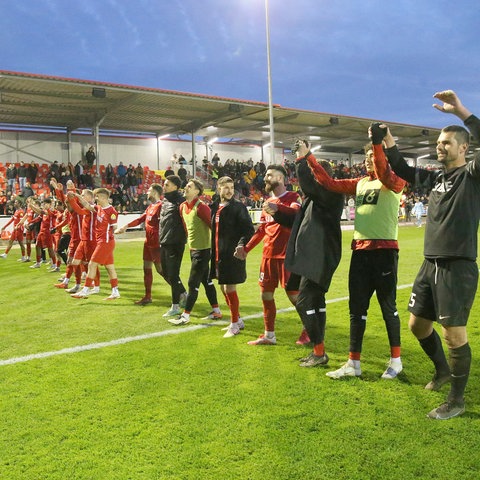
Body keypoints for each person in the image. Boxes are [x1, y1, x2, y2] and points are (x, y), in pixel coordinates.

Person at [381, 89, 480, 420]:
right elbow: (403, 169)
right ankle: (441, 371)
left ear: (464, 148)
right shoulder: (436, 177)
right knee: (417, 326)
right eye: (438, 142)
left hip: (457, 267)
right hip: (430, 264)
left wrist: (462, 112)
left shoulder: (472, 176)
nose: (440, 146)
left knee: (454, 335)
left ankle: (456, 400)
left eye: (447, 143)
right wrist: (388, 141)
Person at [306, 139, 406, 378]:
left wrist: (377, 144)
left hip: (384, 253)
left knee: (387, 307)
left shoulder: (396, 182)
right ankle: (353, 363)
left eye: (373, 155)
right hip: (360, 253)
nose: (369, 159)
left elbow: (383, 169)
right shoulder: (359, 183)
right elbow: (328, 183)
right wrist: (308, 158)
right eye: (366, 156)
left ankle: (396, 361)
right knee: (356, 309)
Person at [283, 141, 344, 366]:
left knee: (304, 300)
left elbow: (309, 184)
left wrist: (302, 158)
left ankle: (319, 352)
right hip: (313, 254)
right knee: (315, 299)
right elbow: (297, 221)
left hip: (321, 255)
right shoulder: (314, 199)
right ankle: (319, 348)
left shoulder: (330, 193)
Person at [235, 165, 301, 345]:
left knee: (294, 296)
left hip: (286, 256)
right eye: (266, 175)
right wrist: (246, 248)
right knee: (266, 295)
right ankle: (269, 335)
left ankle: (310, 329)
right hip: (268, 256)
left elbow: (297, 214)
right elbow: (262, 229)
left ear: (280, 178)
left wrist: (277, 209)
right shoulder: (266, 202)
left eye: (270, 175)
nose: (265, 178)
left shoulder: (293, 197)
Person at [168, 179, 221, 326]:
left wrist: (218, 247)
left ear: (197, 191)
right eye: (186, 186)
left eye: (189, 187)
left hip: (203, 251)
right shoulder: (182, 207)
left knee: (193, 283)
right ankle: (216, 311)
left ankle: (185, 316)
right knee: (206, 280)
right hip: (193, 250)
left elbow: (213, 227)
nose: (186, 188)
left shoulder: (202, 207)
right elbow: (186, 228)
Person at [210, 176, 254, 338]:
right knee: (223, 287)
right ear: (218, 188)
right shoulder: (215, 207)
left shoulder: (239, 207)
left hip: (232, 254)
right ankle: (238, 319)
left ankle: (234, 324)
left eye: (231, 187)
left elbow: (249, 230)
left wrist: (241, 245)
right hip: (218, 254)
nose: (229, 191)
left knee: (229, 288)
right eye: (226, 187)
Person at [115, 184, 164, 305]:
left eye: (149, 190)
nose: (147, 192)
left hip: (156, 243)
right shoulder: (151, 207)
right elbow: (140, 219)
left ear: (155, 192)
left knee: (161, 270)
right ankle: (148, 296)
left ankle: (180, 292)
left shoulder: (161, 206)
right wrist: (126, 226)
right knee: (146, 269)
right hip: (148, 243)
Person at [71, 188, 120, 300]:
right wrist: (78, 196)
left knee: (92, 264)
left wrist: (109, 236)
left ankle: (85, 290)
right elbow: (87, 206)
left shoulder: (111, 211)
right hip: (102, 242)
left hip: (105, 242)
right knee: (110, 268)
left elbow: (114, 227)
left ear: (103, 197)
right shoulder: (99, 208)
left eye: (97, 196)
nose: (95, 199)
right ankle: (115, 291)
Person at [159, 175, 188, 317]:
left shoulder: (181, 202)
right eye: (164, 184)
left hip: (175, 242)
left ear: (176, 187)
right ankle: (183, 293)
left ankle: (175, 306)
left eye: (167, 184)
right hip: (164, 241)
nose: (164, 186)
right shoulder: (165, 201)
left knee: (173, 273)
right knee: (165, 272)